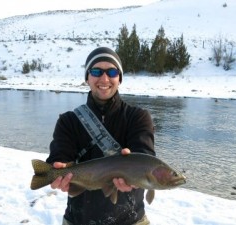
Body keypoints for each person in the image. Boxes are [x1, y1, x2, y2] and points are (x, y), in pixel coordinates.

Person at [46, 46, 155, 225]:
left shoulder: (138, 117)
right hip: (78, 220)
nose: (104, 78)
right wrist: (57, 170)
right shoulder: (69, 121)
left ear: (119, 78)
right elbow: (59, 156)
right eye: (96, 71)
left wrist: (138, 172)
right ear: (87, 78)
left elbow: (147, 157)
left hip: (132, 220)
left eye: (112, 71)